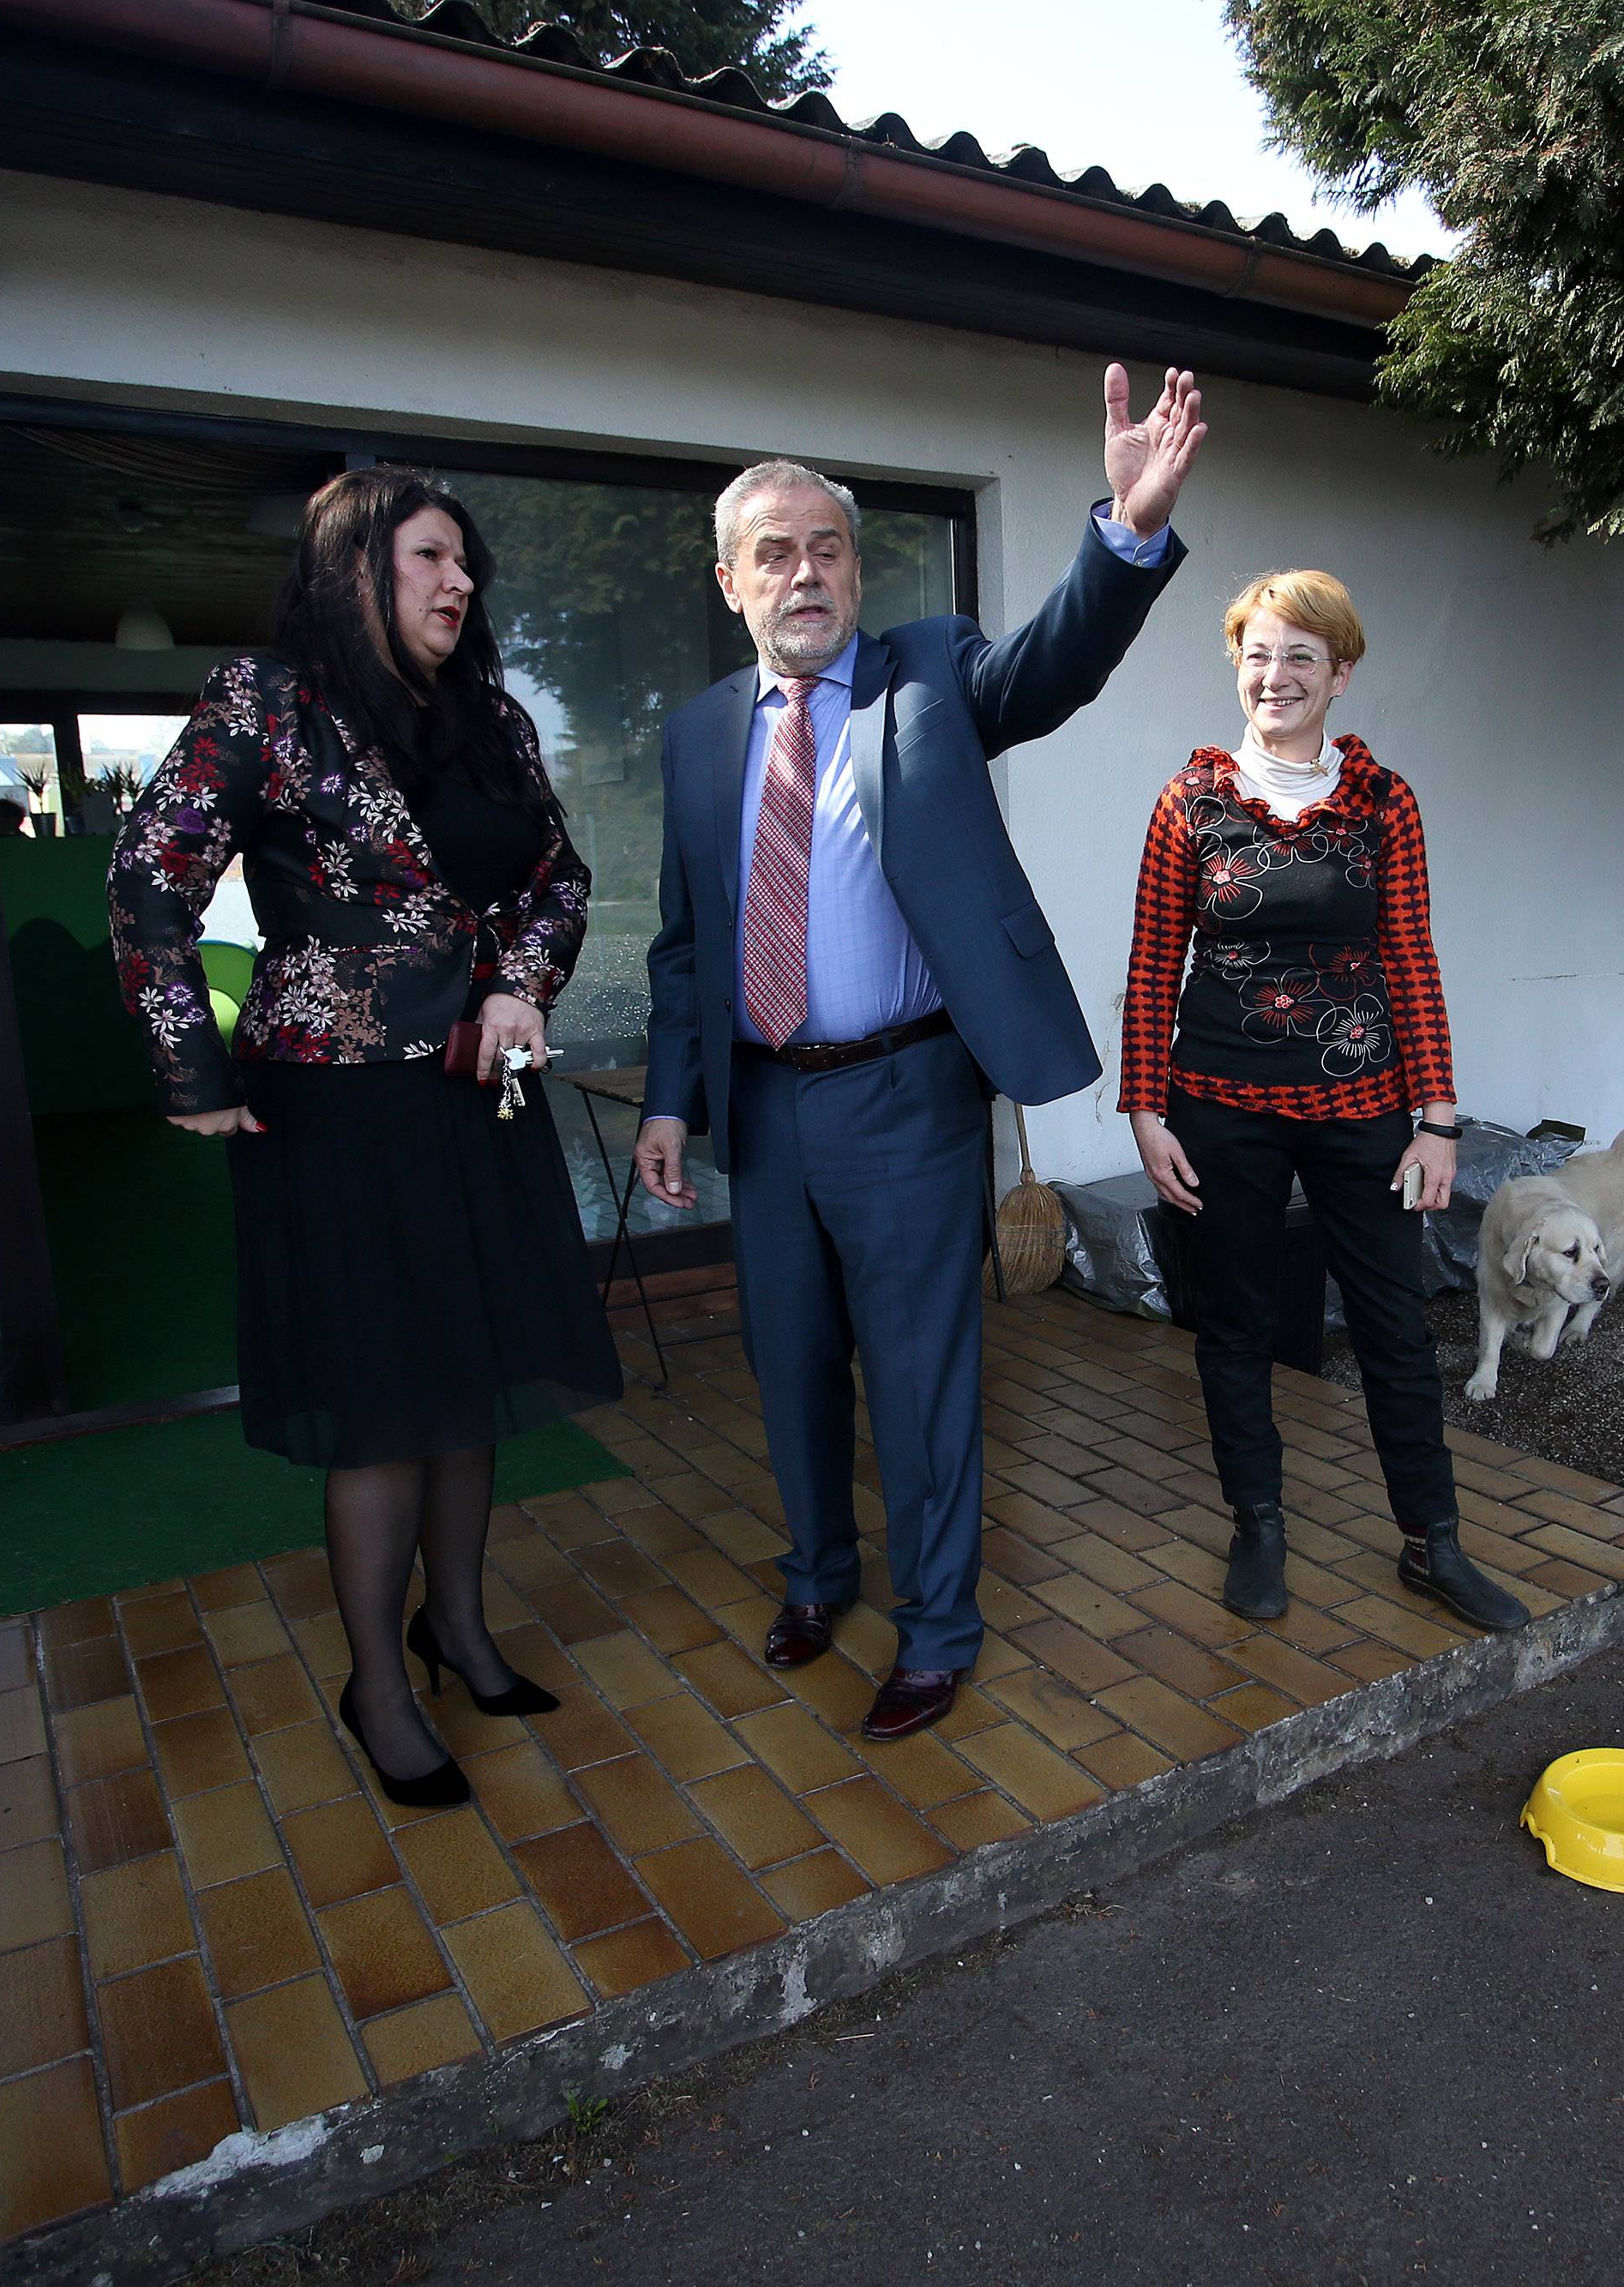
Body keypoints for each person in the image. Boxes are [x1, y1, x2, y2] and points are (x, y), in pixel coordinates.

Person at [635, 367, 1206, 1740]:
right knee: (789, 1363)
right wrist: (672, 1100)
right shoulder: (700, 735)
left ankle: (939, 1626)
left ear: (856, 567)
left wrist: (1122, 537)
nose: (807, 571)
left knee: (921, 1376)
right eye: (775, 552)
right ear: (731, 583)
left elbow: (1055, 660)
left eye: (828, 546)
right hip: (767, 1109)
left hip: (907, 1093)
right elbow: (683, 937)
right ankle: (820, 1576)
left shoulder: (934, 673)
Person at [110, 466, 623, 1804]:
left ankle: (452, 1629)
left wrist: (523, 980)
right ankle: (377, 1687)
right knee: (386, 1402)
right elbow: (149, 872)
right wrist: (190, 1066)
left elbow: (557, 873)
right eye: (434, 558)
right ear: (358, 566)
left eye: (470, 567)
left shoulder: (489, 719)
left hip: (477, 1085)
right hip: (335, 1103)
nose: (462, 584)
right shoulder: (265, 701)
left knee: (468, 1374)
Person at [1120, 569, 1526, 1634]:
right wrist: (1146, 1111)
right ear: (1237, 663)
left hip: (1363, 1112)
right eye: (1258, 651)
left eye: (1302, 655)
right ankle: (1258, 1525)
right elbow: (1155, 960)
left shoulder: (1385, 801)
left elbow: (1410, 958)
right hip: (1217, 1106)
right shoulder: (1189, 802)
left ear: (1340, 674)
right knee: (1237, 1323)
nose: (1277, 674)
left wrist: (1438, 1117)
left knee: (1393, 1324)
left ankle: (1432, 1544)